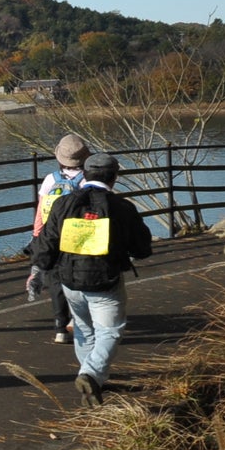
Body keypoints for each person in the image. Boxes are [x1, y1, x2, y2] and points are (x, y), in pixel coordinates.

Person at [32, 151, 153, 406]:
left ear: (85, 174)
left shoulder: (63, 204)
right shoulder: (122, 208)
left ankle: (92, 382)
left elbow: (46, 245)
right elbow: (142, 248)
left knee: (84, 331)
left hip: (69, 281)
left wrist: (40, 270)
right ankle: (90, 375)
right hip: (105, 281)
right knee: (110, 330)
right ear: (114, 178)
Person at [28, 134, 88, 344]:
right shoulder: (88, 180)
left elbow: (40, 213)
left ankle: (59, 327)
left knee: (55, 281)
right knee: (78, 279)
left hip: (51, 236)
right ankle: (76, 319)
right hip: (78, 236)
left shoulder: (51, 179)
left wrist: (37, 237)